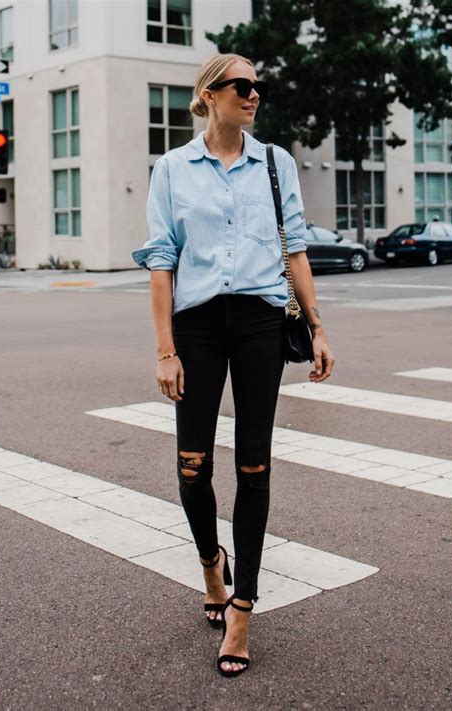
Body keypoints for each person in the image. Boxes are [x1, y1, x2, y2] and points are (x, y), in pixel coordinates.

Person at [131, 52, 335, 677]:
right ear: (211, 94)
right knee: (192, 467)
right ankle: (210, 567)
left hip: (258, 325)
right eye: (242, 86)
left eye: (258, 87)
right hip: (194, 326)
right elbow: (161, 261)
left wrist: (319, 327)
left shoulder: (274, 163)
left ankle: (242, 607)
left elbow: (294, 248)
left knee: (253, 464)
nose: (253, 96)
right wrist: (165, 350)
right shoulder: (172, 168)